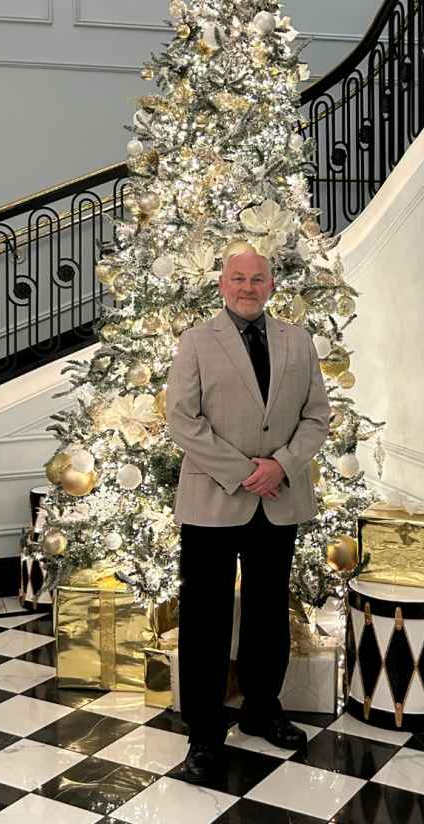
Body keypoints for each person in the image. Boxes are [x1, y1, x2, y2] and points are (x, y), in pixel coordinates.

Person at [166, 247, 330, 783]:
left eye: (257, 278)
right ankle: (205, 731)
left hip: (278, 499)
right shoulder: (196, 342)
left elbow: (317, 417)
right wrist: (244, 472)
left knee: (266, 610)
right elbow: (183, 422)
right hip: (214, 498)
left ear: (271, 285)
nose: (248, 287)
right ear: (221, 284)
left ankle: (262, 709)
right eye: (238, 278)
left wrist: (280, 466)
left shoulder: (297, 341)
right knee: (206, 617)